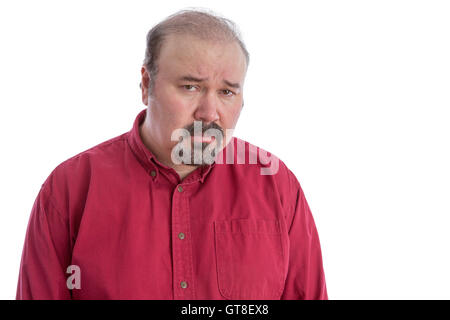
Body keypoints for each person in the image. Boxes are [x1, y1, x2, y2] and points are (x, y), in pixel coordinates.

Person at [16, 9, 328, 300]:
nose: (210, 113)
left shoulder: (276, 183)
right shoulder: (70, 189)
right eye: (191, 87)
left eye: (227, 92)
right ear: (146, 84)